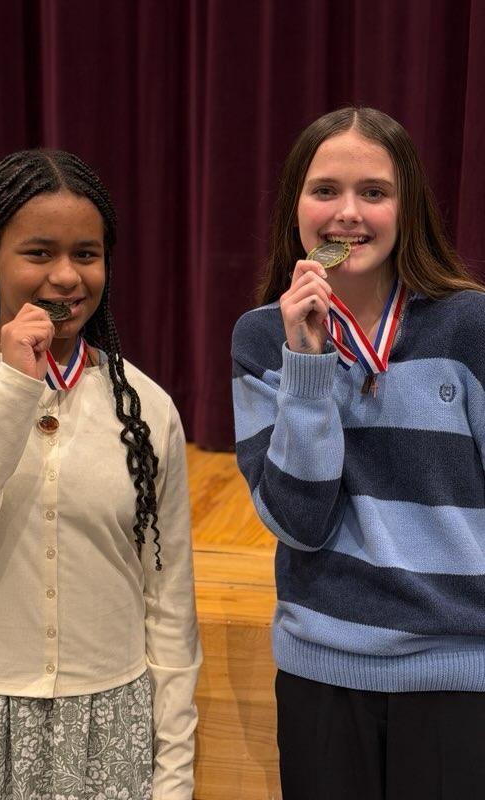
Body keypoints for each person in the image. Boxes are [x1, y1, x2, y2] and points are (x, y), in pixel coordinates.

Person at [0, 149, 201, 800]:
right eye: (39, 253)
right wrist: (12, 392)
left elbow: (169, 610)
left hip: (107, 730)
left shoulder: (148, 408)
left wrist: (172, 780)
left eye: (86, 254)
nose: (66, 277)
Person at [232, 107, 485, 799]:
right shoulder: (261, 339)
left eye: (374, 192)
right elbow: (299, 521)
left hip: (457, 673)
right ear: (295, 208)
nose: (348, 213)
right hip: (321, 669)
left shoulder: (469, 325)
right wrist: (307, 367)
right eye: (325, 191)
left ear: (408, 208)